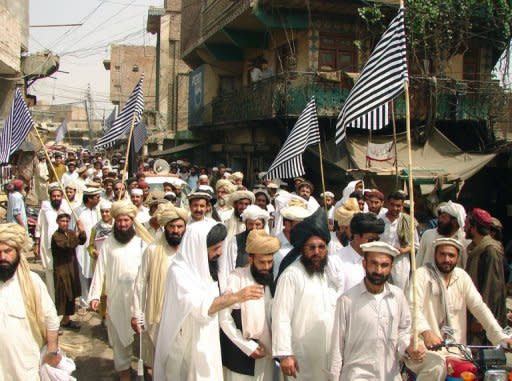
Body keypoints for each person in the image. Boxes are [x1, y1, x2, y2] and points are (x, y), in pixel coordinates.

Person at [154, 220, 264, 381]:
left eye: (220, 247)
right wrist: (236, 296)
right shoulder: (179, 273)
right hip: (186, 348)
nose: (220, 253)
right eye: (215, 248)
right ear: (198, 249)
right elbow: (201, 309)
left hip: (208, 345)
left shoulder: (208, 269)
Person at [406, 237, 512, 380]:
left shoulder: (462, 277)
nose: (446, 259)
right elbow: (411, 307)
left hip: (456, 351)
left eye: (451, 255)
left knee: (481, 372)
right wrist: (426, 332)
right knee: (437, 367)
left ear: (458, 257)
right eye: (442, 254)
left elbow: (480, 308)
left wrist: (501, 337)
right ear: (435, 254)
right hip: (423, 351)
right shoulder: (421, 275)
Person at [329, 241, 424, 380]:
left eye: (384, 265)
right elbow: (337, 347)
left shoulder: (398, 297)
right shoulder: (347, 300)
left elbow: (403, 332)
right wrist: (333, 377)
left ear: (391, 267)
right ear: (364, 264)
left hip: (389, 376)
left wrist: (409, 347)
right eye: (374, 263)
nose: (378, 270)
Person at [89, 200, 152, 381]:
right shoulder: (108, 243)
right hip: (116, 301)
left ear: (132, 221)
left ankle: (147, 370)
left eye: (126, 220)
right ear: (115, 221)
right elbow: (100, 269)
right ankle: (125, 374)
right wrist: (94, 295)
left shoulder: (142, 244)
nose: (123, 224)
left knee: (144, 342)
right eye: (119, 221)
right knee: (119, 341)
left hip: (139, 301)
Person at [272, 208, 338, 380]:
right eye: (312, 247)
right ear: (302, 249)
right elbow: (281, 316)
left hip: (326, 353)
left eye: (321, 247)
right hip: (300, 356)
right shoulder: (291, 275)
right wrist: (285, 354)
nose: (317, 252)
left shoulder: (326, 273)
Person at [0, 223, 63, 380]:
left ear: (18, 252)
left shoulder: (32, 283)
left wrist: (52, 352)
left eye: (8, 251)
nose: (2, 257)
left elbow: (51, 319)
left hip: (25, 368)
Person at [132, 203, 188, 371]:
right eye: (172, 226)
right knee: (158, 361)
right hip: (158, 315)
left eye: (179, 226)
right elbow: (140, 283)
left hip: (184, 315)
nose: (176, 230)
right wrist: (136, 313)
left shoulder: (190, 251)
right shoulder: (153, 250)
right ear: (165, 227)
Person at [220, 229, 279, 381]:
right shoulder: (237, 277)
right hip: (241, 356)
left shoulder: (272, 280)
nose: (266, 267)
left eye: (270, 262)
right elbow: (224, 319)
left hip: (266, 356)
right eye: (262, 262)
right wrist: (247, 347)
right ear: (251, 259)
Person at [464, 208, 507, 344]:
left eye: (466, 225)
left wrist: (480, 320)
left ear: (474, 227)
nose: (464, 228)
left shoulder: (490, 251)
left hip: (484, 318)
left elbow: (491, 288)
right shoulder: (476, 248)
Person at [35, 184, 72, 300]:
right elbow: (38, 227)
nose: (56, 198)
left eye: (58, 196)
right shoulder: (44, 209)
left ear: (62, 197)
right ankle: (52, 300)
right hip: (48, 246)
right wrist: (36, 244)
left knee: (63, 272)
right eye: (54, 196)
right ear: (50, 197)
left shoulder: (66, 209)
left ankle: (63, 300)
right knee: (50, 273)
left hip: (64, 246)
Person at [219, 205, 269, 291]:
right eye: (250, 224)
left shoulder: (269, 242)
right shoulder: (235, 241)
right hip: (240, 287)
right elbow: (230, 269)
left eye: (257, 224)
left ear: (263, 225)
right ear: (245, 224)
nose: (254, 228)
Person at [51, 211, 86, 330]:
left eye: (66, 221)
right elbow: (67, 245)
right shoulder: (56, 236)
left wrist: (82, 232)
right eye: (62, 221)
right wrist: (77, 234)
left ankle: (66, 320)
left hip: (71, 268)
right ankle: (56, 322)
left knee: (71, 294)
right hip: (61, 269)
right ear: (57, 222)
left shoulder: (70, 233)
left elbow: (81, 241)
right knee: (63, 294)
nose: (65, 223)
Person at [335, 212, 385, 291]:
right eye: (371, 239)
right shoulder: (336, 261)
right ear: (357, 236)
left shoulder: (378, 260)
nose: (374, 244)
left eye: (377, 240)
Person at [380, 191, 418, 289]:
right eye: (392, 205)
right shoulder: (379, 220)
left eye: (398, 206)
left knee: (399, 291)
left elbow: (416, 244)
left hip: (400, 263)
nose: (395, 208)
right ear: (387, 203)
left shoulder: (408, 221)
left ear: (402, 206)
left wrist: (403, 250)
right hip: (381, 261)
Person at [416, 200, 467, 267]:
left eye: (444, 217)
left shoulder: (463, 241)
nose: (440, 220)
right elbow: (418, 262)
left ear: (454, 222)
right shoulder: (428, 235)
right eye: (440, 217)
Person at [75, 186, 102, 307]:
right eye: (97, 197)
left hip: (95, 247)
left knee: (95, 273)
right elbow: (72, 231)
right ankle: (84, 302)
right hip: (82, 247)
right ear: (89, 199)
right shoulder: (77, 212)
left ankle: (94, 300)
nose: (99, 199)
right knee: (83, 273)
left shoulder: (98, 211)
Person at [273, 200, 312, 280]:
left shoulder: (307, 245)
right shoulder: (273, 245)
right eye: (299, 225)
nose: (303, 229)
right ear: (287, 224)